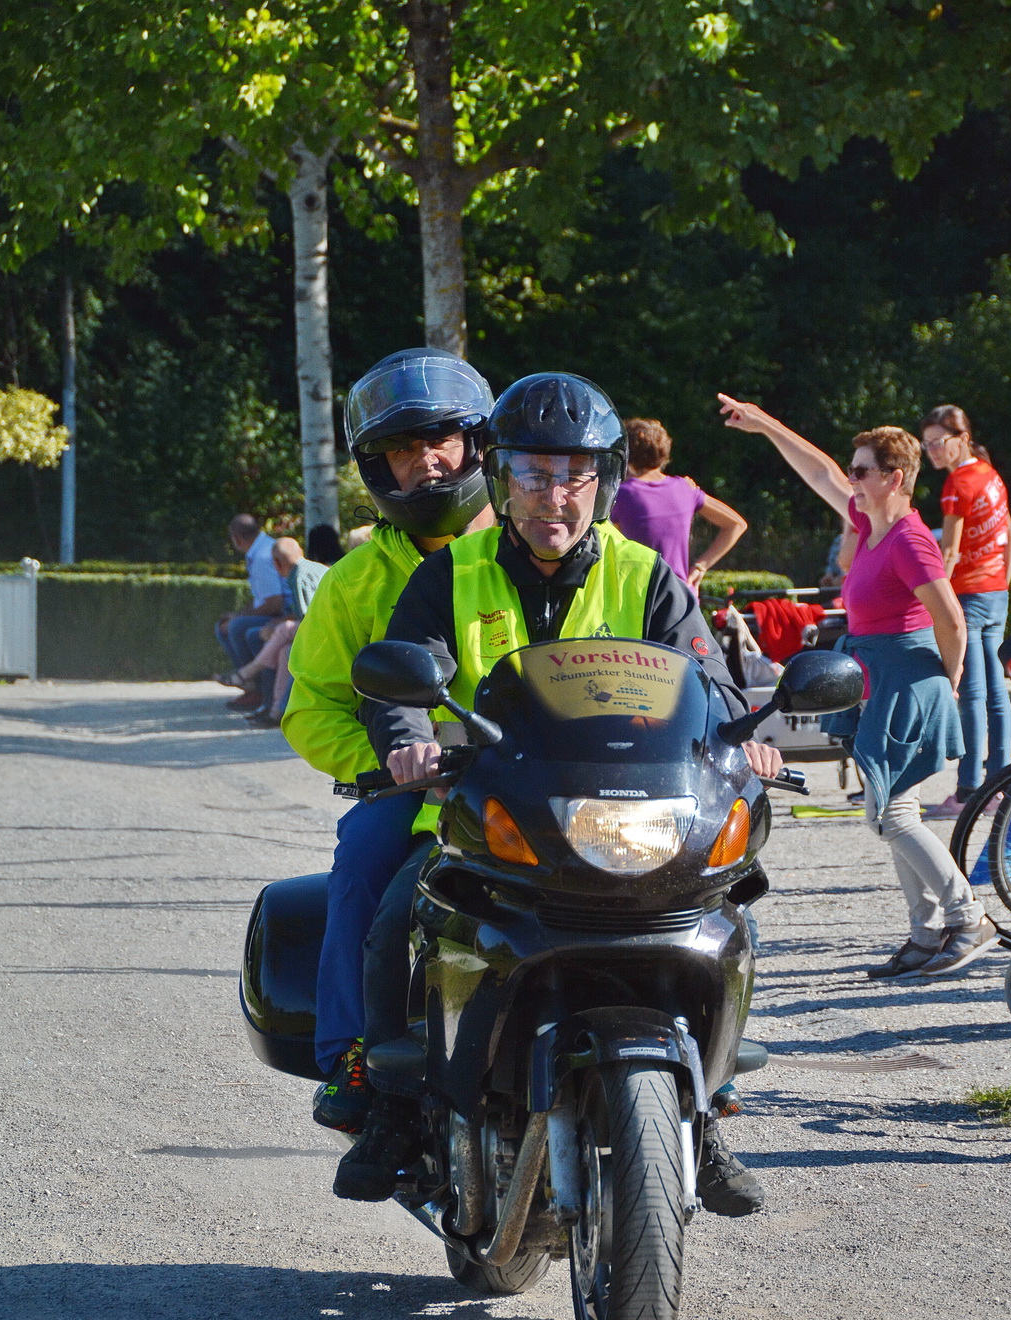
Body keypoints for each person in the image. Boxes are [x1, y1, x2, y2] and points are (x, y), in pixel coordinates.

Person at [334, 370, 782, 1216]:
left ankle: (708, 1109)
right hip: (484, 811)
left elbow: (709, 682)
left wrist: (745, 742)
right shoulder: (449, 573)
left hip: (634, 813)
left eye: (575, 475)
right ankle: (392, 1108)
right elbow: (394, 682)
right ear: (501, 480)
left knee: (726, 915)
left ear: (604, 483)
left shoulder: (648, 575)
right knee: (399, 914)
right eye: (534, 474)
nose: (555, 496)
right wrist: (407, 744)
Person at [280, 347, 497, 1129]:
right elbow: (310, 709)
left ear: (477, 446)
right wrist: (389, 762)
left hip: (545, 782)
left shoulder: (542, 553)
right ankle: (351, 1058)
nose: (425, 462)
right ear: (380, 470)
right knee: (362, 867)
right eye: (402, 449)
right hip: (417, 794)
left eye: (440, 439)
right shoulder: (354, 581)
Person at [718, 394, 998, 981]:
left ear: (895, 478)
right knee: (889, 810)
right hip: (882, 673)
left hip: (906, 676)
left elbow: (950, 616)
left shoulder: (910, 540)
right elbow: (818, 469)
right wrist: (766, 423)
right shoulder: (870, 523)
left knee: (891, 813)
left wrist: (945, 681)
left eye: (862, 471)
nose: (851, 479)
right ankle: (926, 935)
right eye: (853, 470)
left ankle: (967, 918)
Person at [918, 405, 1011, 820]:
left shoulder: (957, 483)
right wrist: (1002, 581)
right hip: (996, 594)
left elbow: (951, 551)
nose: (932, 453)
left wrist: (932, 599)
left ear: (961, 437)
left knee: (973, 694)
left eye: (938, 443)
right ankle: (1003, 781)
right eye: (926, 446)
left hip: (970, 597)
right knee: (996, 692)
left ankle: (969, 791)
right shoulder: (990, 475)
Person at [611, 417, 747, 593]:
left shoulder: (622, 495)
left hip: (641, 598)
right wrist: (701, 565)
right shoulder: (685, 488)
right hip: (683, 599)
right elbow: (736, 524)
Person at [216, 514, 286, 711]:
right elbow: (262, 599)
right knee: (231, 623)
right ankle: (253, 687)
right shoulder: (262, 548)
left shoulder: (262, 557)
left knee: (237, 628)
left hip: (284, 614)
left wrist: (238, 619)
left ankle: (254, 688)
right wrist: (238, 614)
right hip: (280, 612)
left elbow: (274, 603)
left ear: (236, 538)